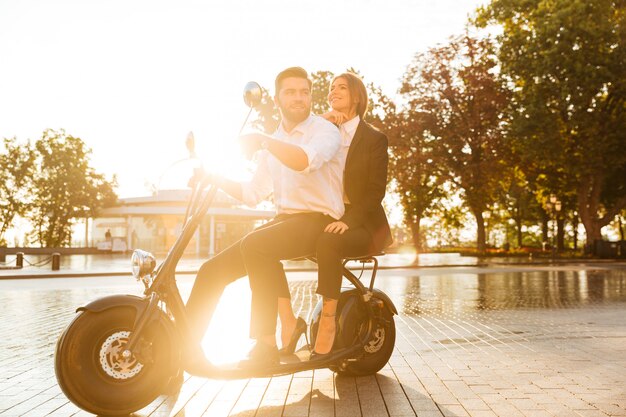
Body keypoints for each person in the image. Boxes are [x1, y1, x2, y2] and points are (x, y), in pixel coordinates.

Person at [184, 66, 343, 371]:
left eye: (304, 92)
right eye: (290, 92)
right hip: (284, 223)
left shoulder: (324, 132)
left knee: (257, 244)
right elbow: (252, 193)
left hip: (319, 222)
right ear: (277, 98)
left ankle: (266, 343)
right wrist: (214, 177)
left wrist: (262, 140)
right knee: (210, 270)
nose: (299, 98)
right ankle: (183, 350)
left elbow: (305, 161)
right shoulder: (273, 140)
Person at [276, 72, 392, 358]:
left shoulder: (374, 139)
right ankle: (288, 322)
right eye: (330, 88)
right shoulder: (321, 129)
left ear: (357, 97)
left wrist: (347, 222)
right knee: (267, 242)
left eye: (341, 88)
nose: (333, 92)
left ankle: (328, 320)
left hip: (363, 224)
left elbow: (375, 193)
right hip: (330, 216)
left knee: (328, 242)